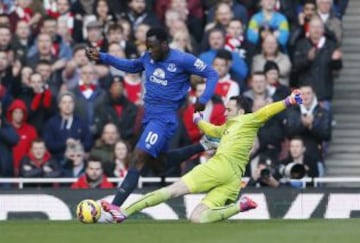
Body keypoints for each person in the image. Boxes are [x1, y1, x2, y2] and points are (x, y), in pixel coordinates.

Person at [104, 90, 303, 223]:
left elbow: (265, 111)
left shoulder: (248, 119)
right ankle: (239, 207)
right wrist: (199, 120)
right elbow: (212, 130)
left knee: (172, 191)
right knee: (197, 218)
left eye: (229, 109)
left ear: (241, 111)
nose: (225, 113)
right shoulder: (228, 127)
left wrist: (288, 101)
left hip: (218, 167)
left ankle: (124, 212)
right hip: (233, 179)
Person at [86, 27, 218, 212]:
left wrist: (203, 100)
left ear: (164, 45)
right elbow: (132, 66)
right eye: (147, 46)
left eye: (153, 47)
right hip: (149, 116)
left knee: (138, 157)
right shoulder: (148, 56)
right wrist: (103, 57)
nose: (149, 51)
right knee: (160, 162)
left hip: (164, 118)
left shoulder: (182, 59)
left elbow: (212, 74)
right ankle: (205, 145)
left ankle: (115, 207)